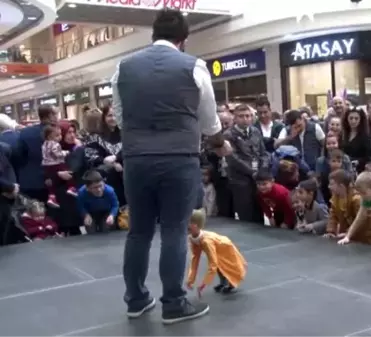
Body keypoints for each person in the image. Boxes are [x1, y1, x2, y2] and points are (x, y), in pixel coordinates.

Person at [113, 9, 231, 324]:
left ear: (153, 34)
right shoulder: (194, 66)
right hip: (178, 160)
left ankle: (136, 300)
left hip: (136, 161)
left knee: (138, 232)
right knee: (174, 231)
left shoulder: (123, 67)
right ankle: (174, 304)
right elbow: (209, 122)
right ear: (183, 38)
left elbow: (121, 117)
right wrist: (219, 143)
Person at [186, 209, 247, 295]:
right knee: (219, 266)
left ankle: (232, 284)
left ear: (196, 225)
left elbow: (212, 264)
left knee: (226, 266)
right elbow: (195, 259)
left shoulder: (206, 242)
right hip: (218, 246)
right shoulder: (193, 238)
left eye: (188, 222)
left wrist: (204, 284)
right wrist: (190, 280)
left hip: (225, 247)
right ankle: (223, 283)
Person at [324, 169, 371, 245]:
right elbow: (333, 215)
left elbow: (362, 222)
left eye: (332, 184)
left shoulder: (357, 199)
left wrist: (348, 234)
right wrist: (331, 231)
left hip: (368, 236)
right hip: (350, 236)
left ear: (341, 186)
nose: (329, 187)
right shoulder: (335, 198)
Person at [41, 124, 77, 207]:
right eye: (69, 132)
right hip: (56, 164)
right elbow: (57, 154)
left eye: (74, 132)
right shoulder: (56, 144)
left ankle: (51, 196)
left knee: (50, 183)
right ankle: (71, 187)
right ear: (50, 136)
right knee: (67, 173)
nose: (60, 137)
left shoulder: (44, 144)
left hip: (46, 164)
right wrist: (66, 152)